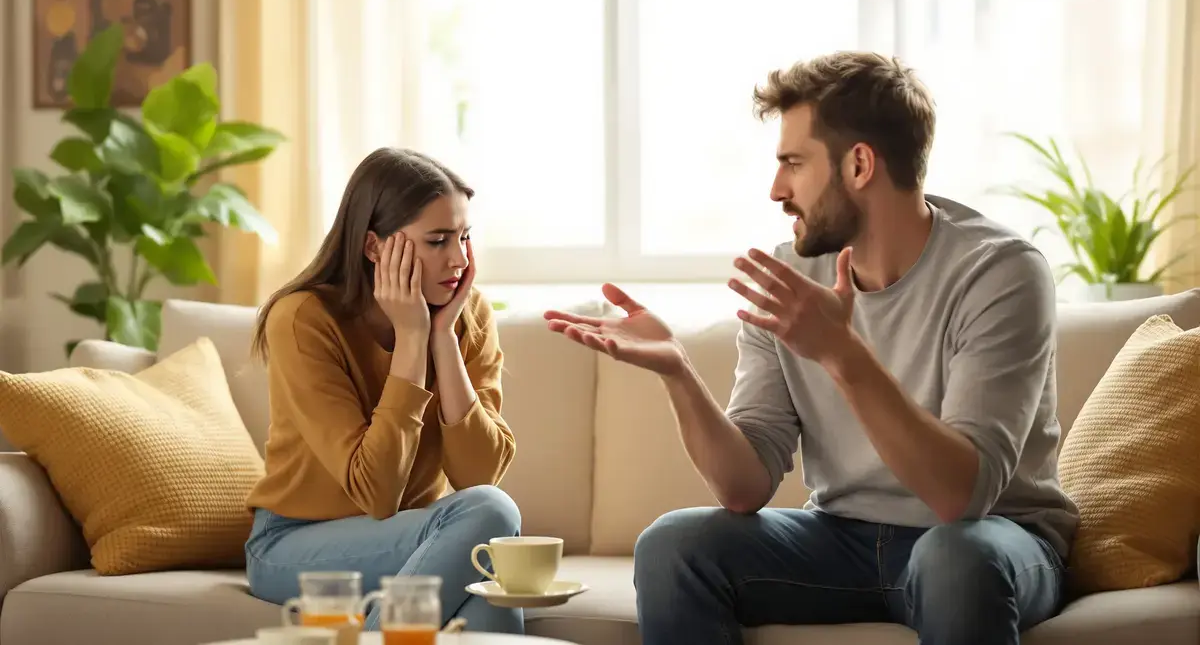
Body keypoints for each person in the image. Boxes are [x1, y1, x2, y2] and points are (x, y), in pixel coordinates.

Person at [543, 51, 1079, 645]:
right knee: (674, 546)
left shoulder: (999, 272)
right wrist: (680, 374)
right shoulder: (790, 276)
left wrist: (841, 354)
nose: (776, 190)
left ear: (858, 165)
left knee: (955, 559)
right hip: (842, 536)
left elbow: (961, 497)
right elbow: (745, 487)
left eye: (793, 163)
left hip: (993, 537)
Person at [244, 147, 523, 634]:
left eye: (464, 237)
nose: (458, 259)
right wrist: (412, 339)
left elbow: (478, 474)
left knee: (484, 591)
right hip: (294, 542)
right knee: (491, 525)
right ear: (374, 247)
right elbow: (376, 493)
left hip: (416, 537)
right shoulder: (303, 319)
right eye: (437, 241)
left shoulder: (466, 313)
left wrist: (443, 339)